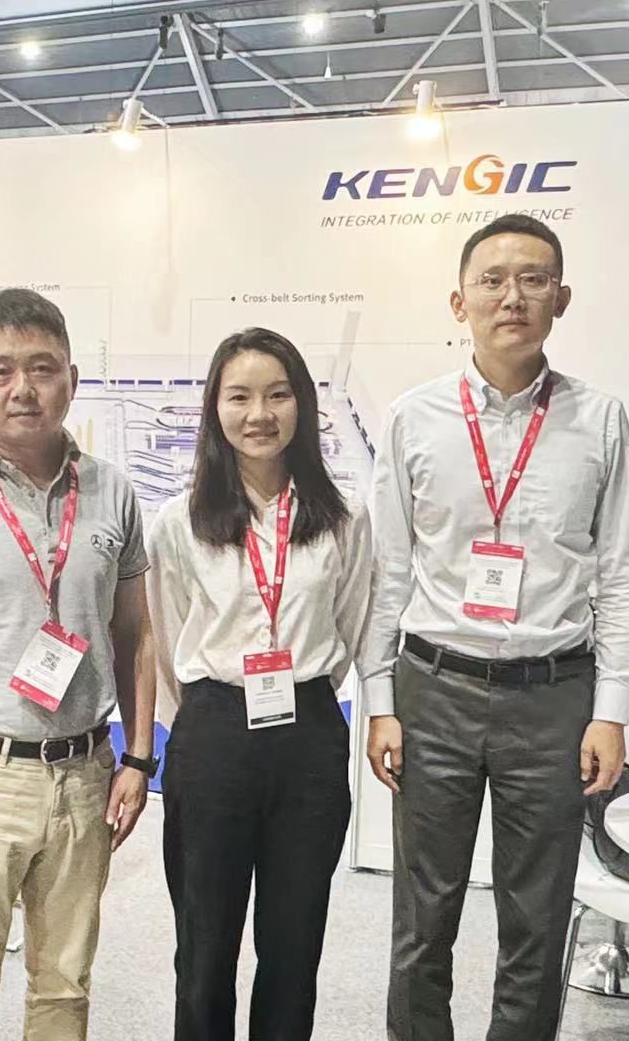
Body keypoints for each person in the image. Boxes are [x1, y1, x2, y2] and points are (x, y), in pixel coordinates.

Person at [361, 213, 629, 1041]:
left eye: (532, 279)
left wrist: (611, 712)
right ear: (460, 302)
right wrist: (379, 700)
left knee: (536, 919)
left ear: (562, 297)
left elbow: (620, 573)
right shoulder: (414, 418)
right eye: (492, 280)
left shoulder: (600, 420)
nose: (511, 297)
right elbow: (388, 570)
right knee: (423, 917)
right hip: (434, 689)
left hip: (552, 697)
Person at [0, 287, 159, 1041]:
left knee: (64, 985)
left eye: (42, 368)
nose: (23, 388)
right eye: (1, 369)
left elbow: (135, 635)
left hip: (85, 773)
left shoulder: (112, 492)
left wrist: (138, 759)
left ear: (70, 379)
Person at [147, 327, 375, 1041]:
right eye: (239, 396)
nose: (259, 414)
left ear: (302, 404)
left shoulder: (343, 517)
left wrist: (301, 689)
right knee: (205, 945)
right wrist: (213, 708)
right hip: (213, 733)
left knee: (293, 945)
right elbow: (168, 630)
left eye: (278, 395)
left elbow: (350, 623)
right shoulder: (179, 521)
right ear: (215, 409)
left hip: (308, 735)